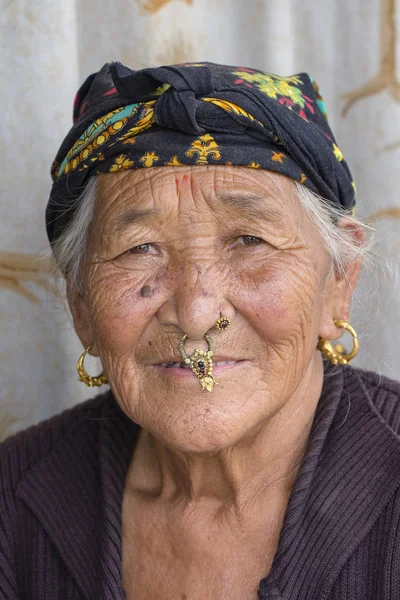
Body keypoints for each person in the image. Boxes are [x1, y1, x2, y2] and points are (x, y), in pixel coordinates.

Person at [1, 61, 399, 600]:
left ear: (338, 283)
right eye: (140, 249)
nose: (194, 312)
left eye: (249, 241)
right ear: (81, 306)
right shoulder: (15, 498)